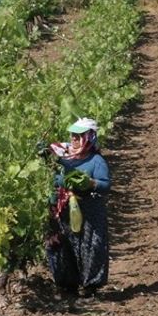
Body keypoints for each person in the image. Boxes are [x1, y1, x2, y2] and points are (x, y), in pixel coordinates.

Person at [44, 117, 111, 300]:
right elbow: (45, 156)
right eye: (73, 134)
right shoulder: (61, 154)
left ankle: (91, 286)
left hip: (89, 211)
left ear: (89, 138)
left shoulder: (96, 161)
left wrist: (90, 183)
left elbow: (106, 186)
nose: (74, 138)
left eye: (79, 135)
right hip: (63, 209)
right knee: (62, 244)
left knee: (90, 246)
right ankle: (67, 285)